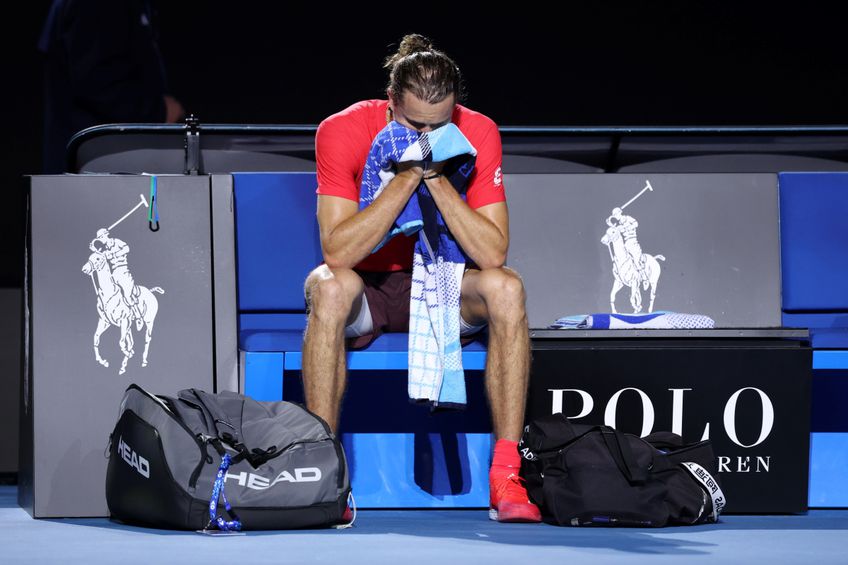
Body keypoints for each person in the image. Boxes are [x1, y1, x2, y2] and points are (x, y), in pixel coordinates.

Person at [303, 34, 540, 523]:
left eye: (441, 125)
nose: (429, 135)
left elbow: (493, 252)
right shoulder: (342, 131)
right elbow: (339, 249)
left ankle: (507, 475)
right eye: (416, 125)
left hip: (445, 282)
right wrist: (407, 175)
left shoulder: (479, 132)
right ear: (390, 105)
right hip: (366, 287)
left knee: (507, 287)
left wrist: (436, 175)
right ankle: (323, 471)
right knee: (327, 284)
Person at [39, 0, 185, 173]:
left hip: (106, 168)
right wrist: (158, 111)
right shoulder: (95, 5)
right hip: (93, 169)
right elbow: (95, 80)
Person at [90, 228, 143, 330]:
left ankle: (138, 316)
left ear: (106, 235)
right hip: (113, 273)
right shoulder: (104, 249)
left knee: (127, 295)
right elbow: (101, 257)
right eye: (99, 238)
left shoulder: (116, 242)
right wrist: (94, 250)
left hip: (123, 271)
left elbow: (127, 248)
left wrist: (114, 254)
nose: (101, 239)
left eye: (101, 237)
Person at [609, 207, 648, 290]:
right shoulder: (618, 225)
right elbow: (613, 231)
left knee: (636, 261)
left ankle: (645, 278)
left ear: (620, 213)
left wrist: (626, 227)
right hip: (625, 244)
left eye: (616, 214)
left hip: (633, 242)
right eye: (614, 215)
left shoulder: (628, 218)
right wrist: (609, 222)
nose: (616, 216)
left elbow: (636, 224)